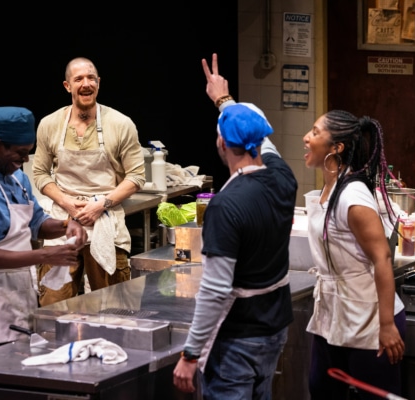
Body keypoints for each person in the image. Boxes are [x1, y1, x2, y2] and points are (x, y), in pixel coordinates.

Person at [173, 53, 298, 399]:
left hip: (238, 340)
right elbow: (264, 140)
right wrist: (223, 100)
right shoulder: (283, 178)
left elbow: (215, 291)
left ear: (221, 144)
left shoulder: (226, 206)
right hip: (274, 330)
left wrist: (190, 354)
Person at [0, 106, 87, 356]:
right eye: (20, 153)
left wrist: (66, 225)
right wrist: (46, 256)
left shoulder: (17, 178)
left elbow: (37, 222)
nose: (26, 161)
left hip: (16, 294)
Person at [303, 110, 406, 399]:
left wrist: (385, 326)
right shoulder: (329, 187)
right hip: (333, 318)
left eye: (314, 131)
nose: (306, 137)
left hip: (370, 322)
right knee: (321, 389)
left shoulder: (352, 195)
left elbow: (382, 258)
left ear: (336, 147)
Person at [32, 57, 146, 306]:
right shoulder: (50, 124)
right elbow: (39, 173)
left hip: (105, 221)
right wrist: (68, 203)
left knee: (114, 307)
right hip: (64, 223)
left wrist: (100, 204)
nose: (86, 84)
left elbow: (136, 176)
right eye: (79, 79)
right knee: (54, 306)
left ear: (99, 83)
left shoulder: (120, 124)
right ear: (67, 86)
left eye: (91, 78)